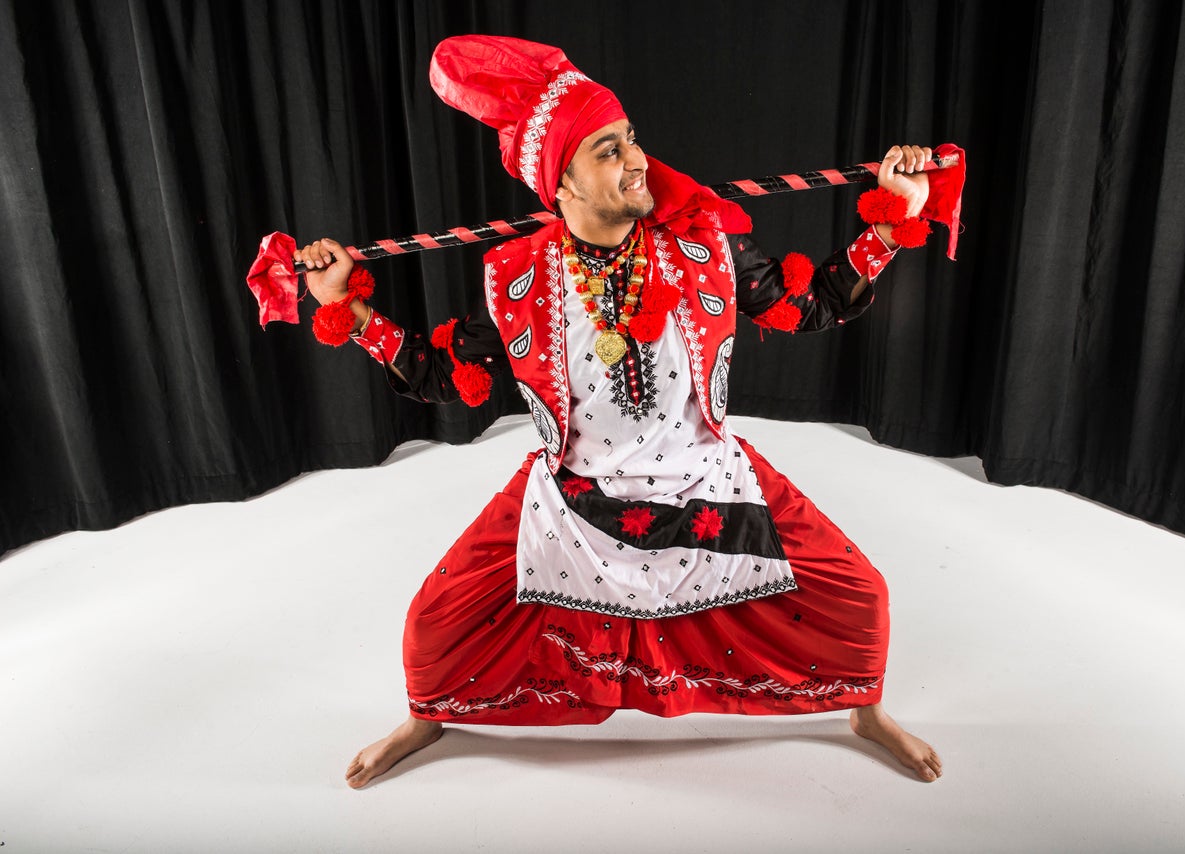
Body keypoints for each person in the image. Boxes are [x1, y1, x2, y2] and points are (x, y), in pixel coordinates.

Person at [294, 35, 956, 788]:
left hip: (707, 478)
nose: (637, 160)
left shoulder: (705, 243)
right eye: (609, 151)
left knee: (860, 598)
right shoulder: (517, 277)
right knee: (433, 623)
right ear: (563, 184)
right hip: (574, 493)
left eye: (631, 139)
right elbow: (442, 376)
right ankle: (430, 713)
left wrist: (890, 222)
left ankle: (862, 710)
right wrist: (344, 304)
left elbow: (810, 309)